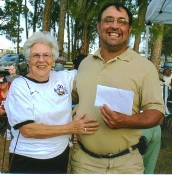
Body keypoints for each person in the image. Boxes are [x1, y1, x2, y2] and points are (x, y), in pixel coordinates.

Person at [70, 3, 165, 174]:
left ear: (129, 29)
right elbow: (74, 99)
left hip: (125, 164)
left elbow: (157, 114)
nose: (115, 26)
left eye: (122, 22)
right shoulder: (85, 64)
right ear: (98, 26)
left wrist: (126, 121)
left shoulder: (145, 67)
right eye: (108, 20)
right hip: (84, 162)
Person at [5, 31, 99, 173]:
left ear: (53, 59)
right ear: (28, 59)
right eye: (36, 55)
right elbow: (27, 130)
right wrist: (71, 128)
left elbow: (92, 73)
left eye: (46, 55)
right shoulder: (20, 86)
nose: (41, 60)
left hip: (59, 155)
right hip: (28, 157)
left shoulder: (63, 78)